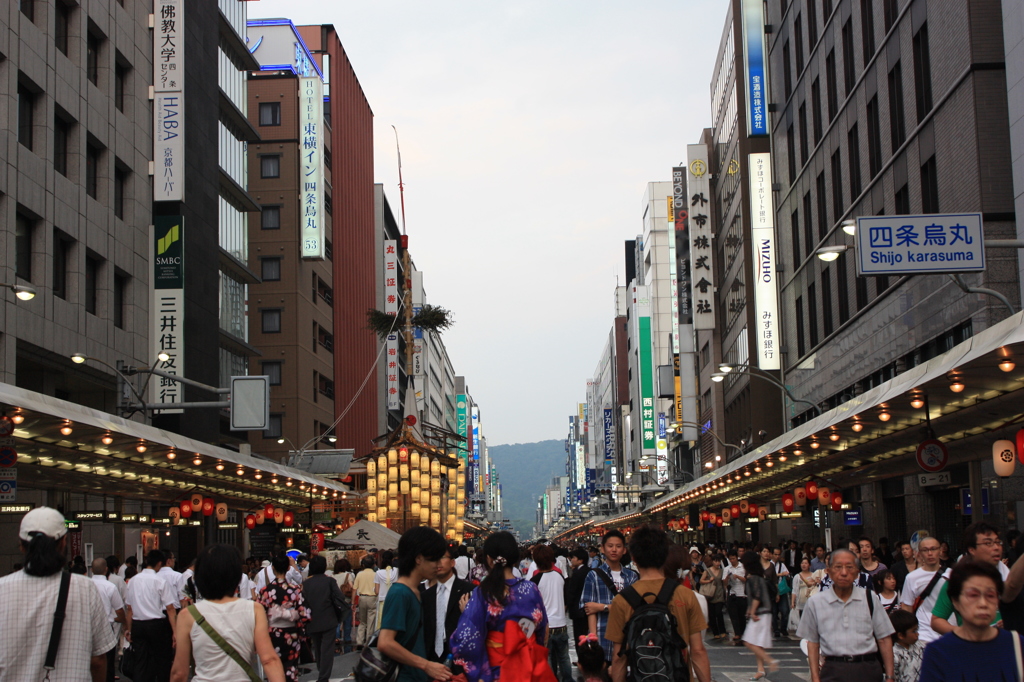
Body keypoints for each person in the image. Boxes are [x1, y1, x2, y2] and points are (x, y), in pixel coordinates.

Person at [0, 507, 116, 681]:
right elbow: (98, 659)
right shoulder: (85, 588)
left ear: (22, 546)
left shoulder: (2, 589)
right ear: (63, 542)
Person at [604, 525, 710, 682]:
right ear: (665, 555)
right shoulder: (685, 595)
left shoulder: (621, 600)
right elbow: (698, 651)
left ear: (633, 558)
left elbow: (619, 657)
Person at [170, 544, 285, 682]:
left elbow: (179, 673)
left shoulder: (187, 615)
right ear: (236, 576)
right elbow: (269, 660)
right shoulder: (254, 609)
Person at [450, 531, 553, 682]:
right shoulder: (531, 589)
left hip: (495, 672)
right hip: (527, 668)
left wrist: (466, 611)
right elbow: (543, 629)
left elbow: (467, 639)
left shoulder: (483, 592)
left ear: (489, 560)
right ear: (514, 559)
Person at [796, 548, 895, 682]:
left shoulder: (870, 598)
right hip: (833, 669)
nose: (843, 573)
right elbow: (813, 643)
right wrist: (815, 678)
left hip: (867, 668)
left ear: (856, 573)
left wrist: (889, 676)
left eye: (849, 567)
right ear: (829, 571)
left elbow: (884, 638)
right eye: (838, 567)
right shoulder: (816, 602)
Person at [919, 561, 1024, 681]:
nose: (983, 604)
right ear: (955, 601)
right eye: (973, 595)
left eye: (990, 595)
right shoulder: (938, 653)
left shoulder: (1016, 645)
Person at [931, 522, 1009, 636]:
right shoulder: (957, 580)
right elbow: (937, 620)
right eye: (988, 543)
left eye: (998, 542)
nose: (996, 547)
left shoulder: (1011, 579)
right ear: (971, 549)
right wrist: (964, 634)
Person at [580, 530, 638, 664]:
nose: (614, 550)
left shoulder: (632, 576)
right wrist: (593, 639)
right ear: (603, 549)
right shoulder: (593, 575)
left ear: (624, 550)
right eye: (610, 546)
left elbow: (633, 608)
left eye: (618, 546)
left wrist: (603, 607)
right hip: (602, 636)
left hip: (627, 637)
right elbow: (589, 609)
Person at [125, 549, 179, 682]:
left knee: (141, 661)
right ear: (160, 563)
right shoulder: (159, 581)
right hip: (157, 625)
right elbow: (170, 608)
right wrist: (175, 631)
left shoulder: (132, 581)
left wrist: (129, 629)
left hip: (138, 624)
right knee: (162, 660)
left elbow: (129, 609)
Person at [256, 554, 310, 682]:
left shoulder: (266, 591)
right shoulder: (295, 590)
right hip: (291, 633)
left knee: (273, 665)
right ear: (287, 568)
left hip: (272, 633)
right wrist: (292, 615)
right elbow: (305, 615)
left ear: (273, 568)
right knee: (290, 667)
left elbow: (259, 613)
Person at [420, 542, 473, 664]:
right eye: (433, 559)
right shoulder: (425, 595)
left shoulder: (468, 591)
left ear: (452, 562)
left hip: (459, 656)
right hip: (431, 657)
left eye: (442, 557)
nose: (438, 563)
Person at [302, 555, 347, 682]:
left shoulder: (306, 583)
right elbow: (340, 597)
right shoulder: (329, 581)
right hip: (328, 618)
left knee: (317, 646)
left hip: (312, 619)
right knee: (327, 649)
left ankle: (321, 669)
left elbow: (303, 602)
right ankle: (323, 676)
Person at [530, 544, 572, 682]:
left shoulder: (535, 580)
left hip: (545, 627)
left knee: (547, 658)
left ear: (536, 560)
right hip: (561, 624)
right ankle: (568, 679)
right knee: (564, 657)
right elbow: (566, 598)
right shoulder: (559, 576)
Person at [899, 535, 946, 645]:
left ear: (940, 550)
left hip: (948, 633)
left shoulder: (953, 575)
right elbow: (906, 607)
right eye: (925, 550)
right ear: (919, 553)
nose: (930, 553)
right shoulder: (912, 577)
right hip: (924, 635)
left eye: (933, 549)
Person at [740, 550, 776, 680]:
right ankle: (760, 669)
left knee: (749, 642)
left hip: (760, 614)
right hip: (765, 612)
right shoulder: (760, 576)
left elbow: (757, 597)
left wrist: (752, 611)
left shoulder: (753, 578)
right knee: (757, 642)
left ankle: (770, 661)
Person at [91, 557, 126, 682]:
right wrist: (123, 622)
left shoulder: (85, 585)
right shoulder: (110, 586)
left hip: (88, 627)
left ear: (91, 570)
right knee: (108, 662)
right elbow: (120, 610)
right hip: (106, 627)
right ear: (106, 570)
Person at [564, 548, 592, 657]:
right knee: (588, 633)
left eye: (574, 558)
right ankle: (589, 656)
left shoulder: (577, 573)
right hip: (588, 608)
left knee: (578, 635)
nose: (571, 560)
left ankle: (581, 657)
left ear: (580, 560)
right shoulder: (590, 571)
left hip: (577, 609)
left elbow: (572, 592)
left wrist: (567, 605)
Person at [889, 608, 923, 682]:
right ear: (901, 635)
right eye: (914, 631)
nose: (917, 634)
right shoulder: (894, 655)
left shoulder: (920, 646)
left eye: (917, 630)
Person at [723, 547, 747, 645]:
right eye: (730, 559)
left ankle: (743, 633)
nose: (732, 560)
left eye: (733, 558)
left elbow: (746, 580)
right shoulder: (727, 569)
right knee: (733, 615)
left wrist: (738, 577)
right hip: (732, 593)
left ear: (737, 558)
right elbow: (724, 583)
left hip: (742, 593)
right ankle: (737, 633)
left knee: (742, 615)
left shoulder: (743, 567)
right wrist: (727, 578)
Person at [699, 553, 727, 639]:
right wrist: (709, 581)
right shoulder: (707, 571)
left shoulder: (722, 571)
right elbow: (701, 581)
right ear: (713, 562)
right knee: (712, 614)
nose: (717, 563)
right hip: (710, 595)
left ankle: (722, 631)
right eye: (716, 561)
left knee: (719, 613)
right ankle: (716, 633)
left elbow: (724, 583)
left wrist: (725, 592)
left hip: (719, 594)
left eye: (719, 561)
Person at [353, 555, 378, 649]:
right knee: (371, 621)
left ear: (363, 565)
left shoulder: (359, 574)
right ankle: (368, 641)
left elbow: (354, 589)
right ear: (373, 565)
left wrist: (353, 602)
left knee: (362, 621)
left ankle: (359, 641)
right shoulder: (376, 574)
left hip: (362, 598)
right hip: (372, 598)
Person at [332, 558, 355, 653]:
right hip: (346, 601)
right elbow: (353, 587)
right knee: (347, 621)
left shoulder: (332, 576)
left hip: (335, 601)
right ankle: (347, 638)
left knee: (337, 621)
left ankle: (336, 637)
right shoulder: (348, 575)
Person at [375, 550, 399, 630]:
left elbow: (377, 591)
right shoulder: (397, 571)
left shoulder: (378, 573)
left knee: (382, 622)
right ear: (392, 559)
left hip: (382, 600)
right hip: (394, 600)